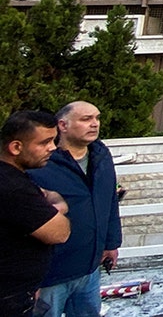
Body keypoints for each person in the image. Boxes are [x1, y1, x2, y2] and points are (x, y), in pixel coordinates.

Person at [30, 102, 122, 317]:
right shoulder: (41, 162)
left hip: (89, 269)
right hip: (51, 274)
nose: (94, 124)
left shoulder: (101, 156)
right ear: (62, 125)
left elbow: (109, 201)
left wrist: (111, 243)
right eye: (85, 119)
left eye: (97, 118)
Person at [0, 111, 70, 316]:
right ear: (15, 147)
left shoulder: (13, 178)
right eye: (45, 142)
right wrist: (58, 208)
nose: (53, 148)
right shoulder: (13, 187)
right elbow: (59, 233)